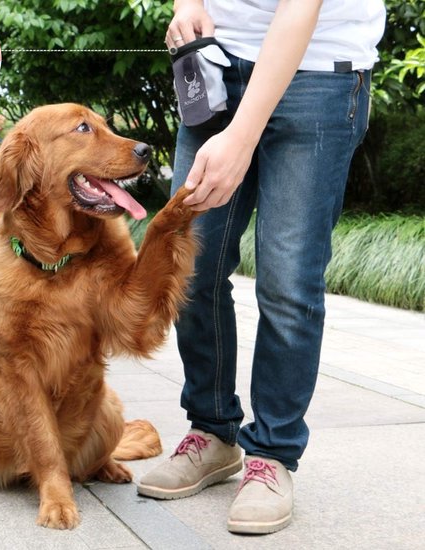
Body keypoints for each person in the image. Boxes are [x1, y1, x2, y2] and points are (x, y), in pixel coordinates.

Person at [136, 0, 386, 535]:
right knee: (191, 267)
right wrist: (188, 4)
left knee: (287, 283)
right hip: (219, 62)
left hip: (321, 70)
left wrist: (241, 138)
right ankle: (213, 431)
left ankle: (271, 455)